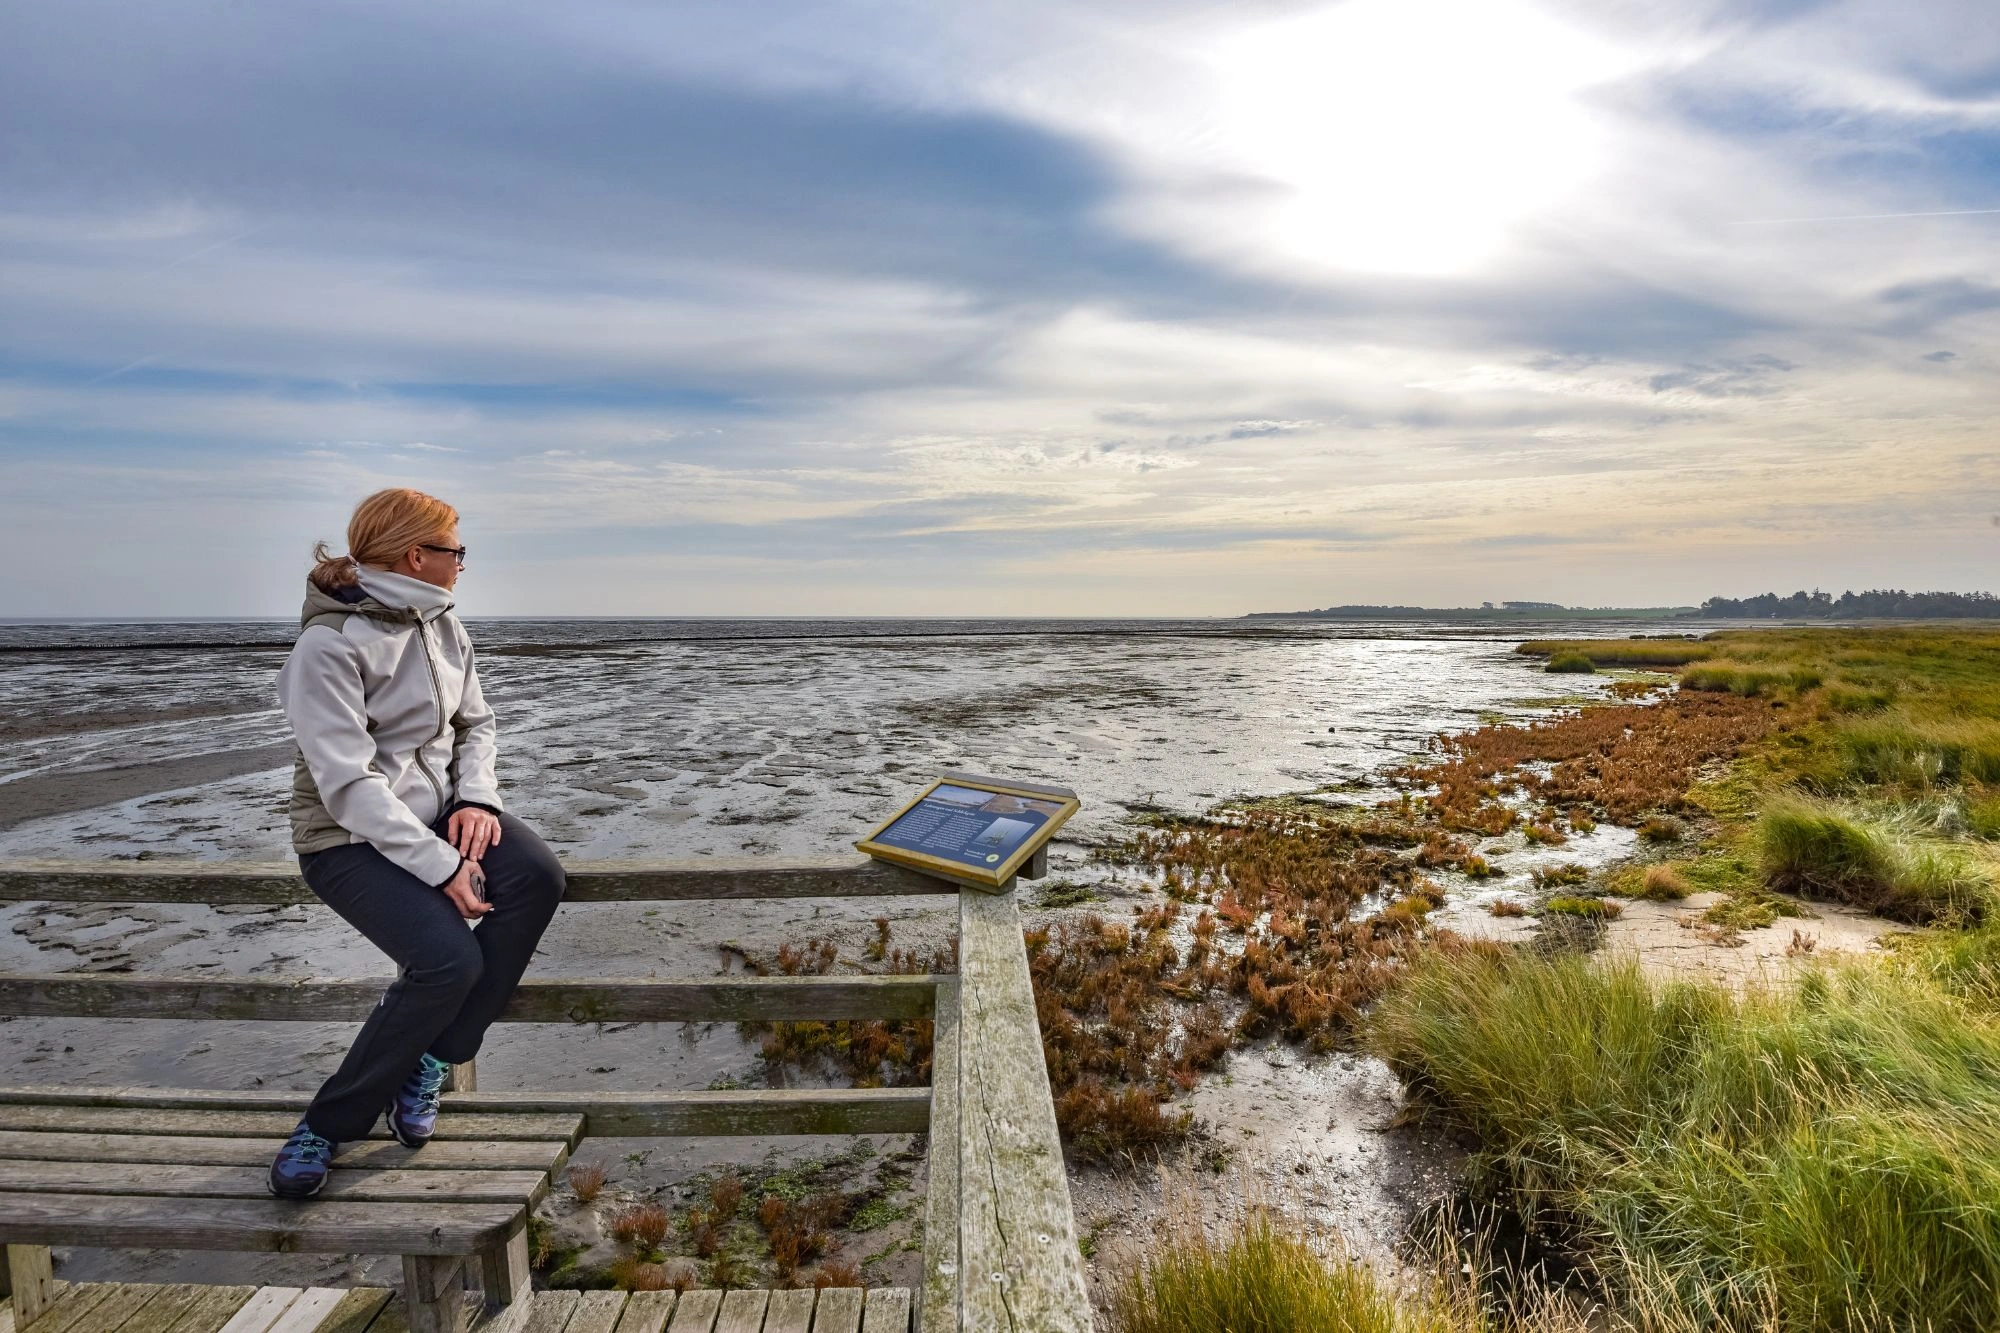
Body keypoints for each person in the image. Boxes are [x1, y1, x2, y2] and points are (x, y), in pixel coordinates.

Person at [267, 487, 565, 1198]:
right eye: (456, 551)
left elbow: (476, 724)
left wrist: (476, 801)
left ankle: (434, 1061)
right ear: (416, 555)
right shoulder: (328, 646)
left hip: (437, 815)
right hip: (344, 840)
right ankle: (327, 1125)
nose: (463, 564)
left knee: (538, 878)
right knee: (445, 960)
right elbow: (350, 787)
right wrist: (443, 865)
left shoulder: (443, 625)